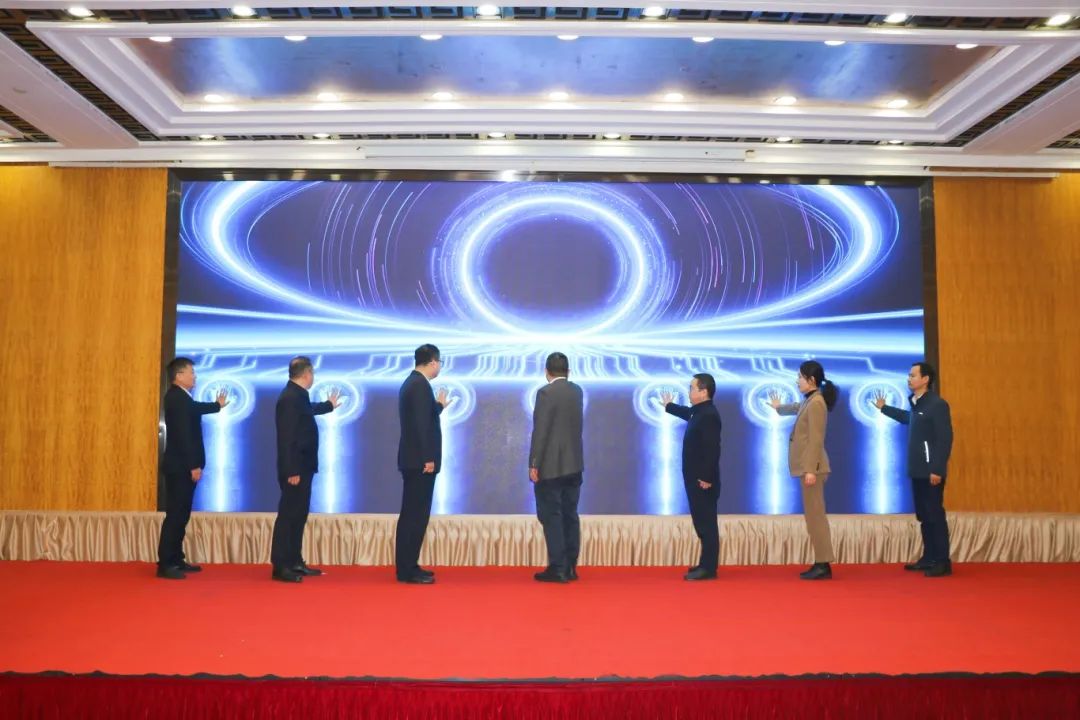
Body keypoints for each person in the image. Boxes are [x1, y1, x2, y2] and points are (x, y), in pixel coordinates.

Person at [875, 361, 955, 577]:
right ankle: (929, 557)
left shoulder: (937, 405)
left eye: (913, 375)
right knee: (924, 515)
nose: (909, 378)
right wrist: (885, 408)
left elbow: (945, 439)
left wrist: (937, 469)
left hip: (931, 472)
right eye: (909, 375)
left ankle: (942, 561)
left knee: (934, 515)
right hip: (917, 470)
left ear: (925, 379)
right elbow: (908, 419)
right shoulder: (917, 404)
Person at [157, 357, 227, 580]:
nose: (194, 376)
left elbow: (195, 409)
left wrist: (216, 405)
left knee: (181, 515)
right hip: (180, 467)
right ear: (179, 376)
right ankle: (166, 564)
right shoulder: (176, 398)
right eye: (191, 372)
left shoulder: (182, 397)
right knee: (175, 516)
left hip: (181, 466)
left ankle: (176, 559)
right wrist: (193, 465)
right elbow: (184, 437)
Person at [271, 356, 340, 583]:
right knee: (288, 516)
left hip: (303, 467)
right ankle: (281, 566)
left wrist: (328, 405)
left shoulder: (298, 395)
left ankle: (294, 561)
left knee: (298, 515)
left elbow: (309, 410)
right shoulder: (290, 397)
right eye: (313, 373)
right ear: (307, 373)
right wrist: (291, 470)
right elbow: (287, 437)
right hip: (295, 469)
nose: (313, 377)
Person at [770, 360, 838, 580]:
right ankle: (821, 561)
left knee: (816, 517)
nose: (797, 381)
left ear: (812, 380)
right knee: (813, 516)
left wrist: (810, 470)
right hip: (810, 468)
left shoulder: (816, 403)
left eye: (800, 377)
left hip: (813, 469)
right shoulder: (811, 400)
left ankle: (823, 563)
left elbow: (816, 440)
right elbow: (796, 408)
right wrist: (779, 407)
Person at [396, 344, 453, 584]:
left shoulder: (413, 383)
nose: (439, 367)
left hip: (414, 460)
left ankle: (409, 565)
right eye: (439, 363)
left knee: (414, 514)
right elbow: (421, 426)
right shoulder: (419, 385)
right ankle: (407, 570)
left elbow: (424, 417)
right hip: (420, 462)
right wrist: (428, 457)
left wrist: (438, 406)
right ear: (432, 362)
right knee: (415, 516)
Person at [659, 373, 723, 581]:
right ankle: (705, 564)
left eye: (691, 388)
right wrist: (669, 406)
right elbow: (688, 413)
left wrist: (706, 477)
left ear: (703, 392)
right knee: (701, 522)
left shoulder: (709, 415)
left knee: (707, 524)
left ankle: (709, 568)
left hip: (703, 481)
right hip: (695, 478)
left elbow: (712, 449)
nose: (689, 391)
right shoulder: (700, 411)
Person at [529, 352, 585, 583]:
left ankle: (558, 568)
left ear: (547, 372)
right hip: (575, 465)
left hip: (551, 466)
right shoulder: (577, 391)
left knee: (552, 516)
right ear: (568, 371)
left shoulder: (545, 393)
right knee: (570, 515)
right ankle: (571, 567)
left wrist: (534, 463)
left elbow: (540, 431)